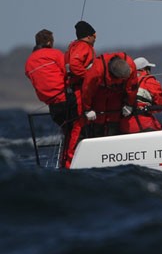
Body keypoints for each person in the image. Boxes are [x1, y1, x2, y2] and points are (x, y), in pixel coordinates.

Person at [62, 20, 97, 168]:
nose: (95, 39)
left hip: (72, 91)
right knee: (79, 126)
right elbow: (76, 66)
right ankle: (70, 163)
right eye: (94, 37)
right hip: (78, 93)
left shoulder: (72, 47)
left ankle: (67, 161)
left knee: (73, 128)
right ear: (89, 36)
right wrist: (90, 76)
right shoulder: (83, 47)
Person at [81, 52, 138, 138]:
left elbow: (132, 88)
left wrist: (129, 104)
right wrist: (87, 109)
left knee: (114, 118)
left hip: (117, 94)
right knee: (98, 119)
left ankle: (114, 136)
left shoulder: (130, 67)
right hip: (99, 93)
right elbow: (87, 91)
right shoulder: (96, 71)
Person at [24, 29, 71, 127]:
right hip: (66, 100)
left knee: (67, 129)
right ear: (49, 42)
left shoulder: (28, 62)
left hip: (52, 107)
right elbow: (68, 72)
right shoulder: (54, 54)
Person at [119, 57, 162, 133]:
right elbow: (160, 106)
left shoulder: (124, 81)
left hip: (124, 126)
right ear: (144, 69)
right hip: (144, 124)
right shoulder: (150, 81)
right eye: (149, 69)